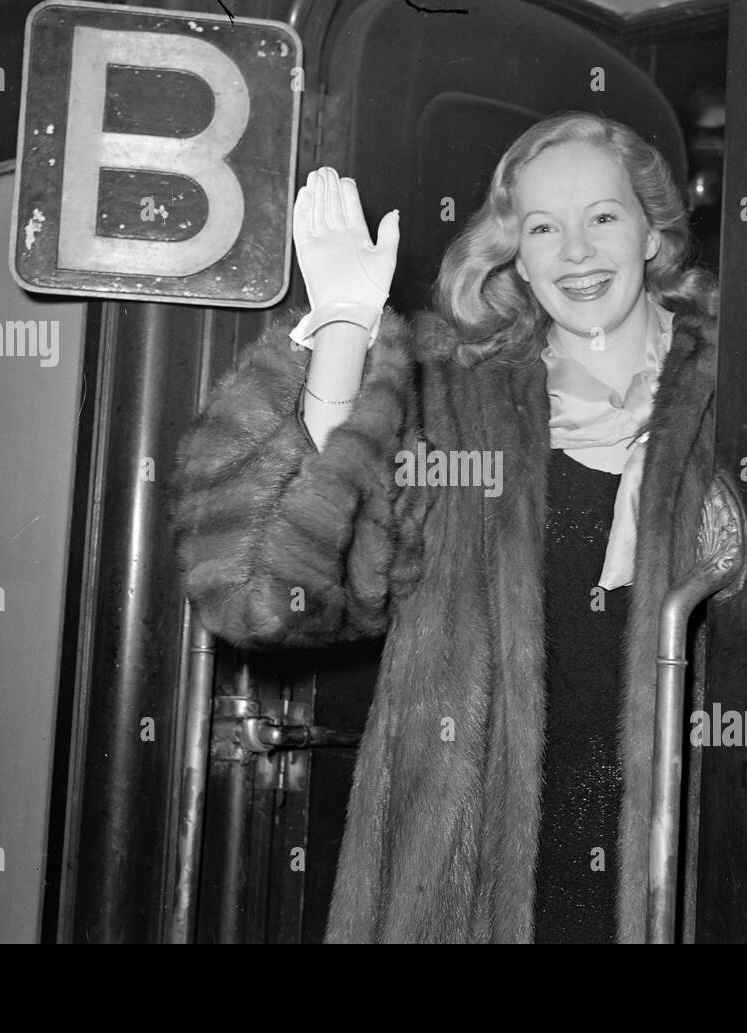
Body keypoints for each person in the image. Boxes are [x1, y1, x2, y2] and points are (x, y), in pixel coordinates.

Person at [170, 111, 718, 943]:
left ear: (651, 233)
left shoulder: (744, 402)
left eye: (603, 217)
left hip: (694, 874)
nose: (575, 251)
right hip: (461, 896)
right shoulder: (461, 412)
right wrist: (349, 335)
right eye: (543, 227)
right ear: (516, 257)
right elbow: (267, 590)